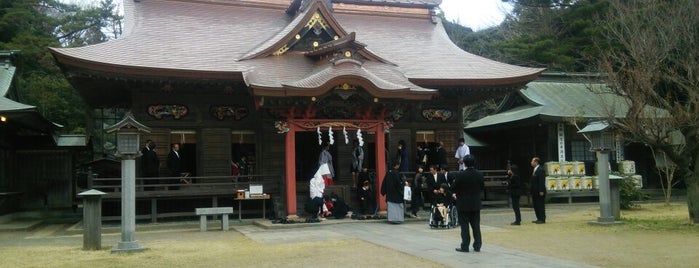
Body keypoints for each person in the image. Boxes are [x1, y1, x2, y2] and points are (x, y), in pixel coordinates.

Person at [451, 154, 484, 253]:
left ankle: (465, 246)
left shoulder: (461, 174)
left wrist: (456, 193)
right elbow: (482, 187)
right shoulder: (479, 174)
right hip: (475, 203)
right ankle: (477, 245)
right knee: (476, 225)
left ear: (464, 163)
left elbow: (453, 187)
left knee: (464, 226)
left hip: (463, 203)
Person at [530, 157, 547, 224]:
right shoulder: (535, 170)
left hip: (539, 191)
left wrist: (541, 190)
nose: (531, 162)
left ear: (536, 162)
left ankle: (542, 219)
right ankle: (538, 218)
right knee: (536, 205)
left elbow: (541, 181)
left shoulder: (540, 170)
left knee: (540, 205)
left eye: (532, 161)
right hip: (535, 191)